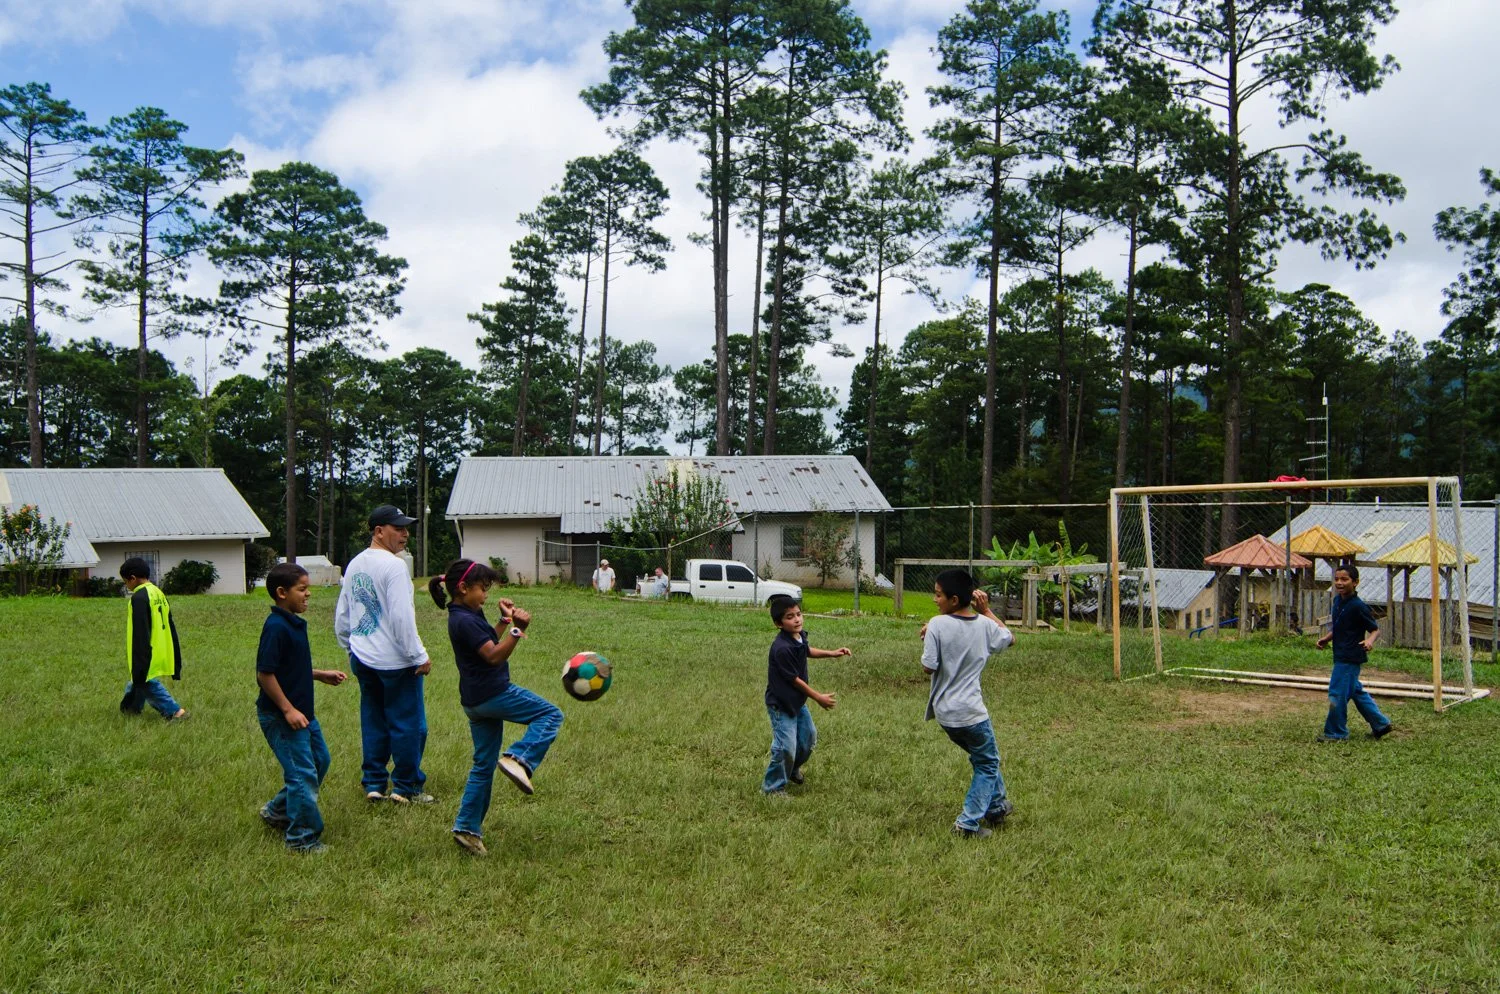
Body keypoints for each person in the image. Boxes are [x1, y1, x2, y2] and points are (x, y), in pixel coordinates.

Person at [428, 559, 563, 857]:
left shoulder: (465, 614)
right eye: (482, 589)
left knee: (483, 764)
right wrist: (517, 630)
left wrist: (503, 622)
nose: (486, 595)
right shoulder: (463, 620)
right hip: (493, 693)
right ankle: (520, 759)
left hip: (475, 702)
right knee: (551, 714)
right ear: (463, 588)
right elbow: (492, 656)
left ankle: (467, 829)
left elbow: (485, 642)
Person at [335, 505, 434, 804]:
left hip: (363, 658)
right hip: (396, 663)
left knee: (374, 721)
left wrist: (350, 646)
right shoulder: (394, 566)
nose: (405, 534)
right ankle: (406, 787)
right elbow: (402, 618)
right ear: (379, 531)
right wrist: (419, 656)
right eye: (398, 528)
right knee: (409, 725)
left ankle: (374, 784)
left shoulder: (354, 564)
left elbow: (343, 613)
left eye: (406, 528)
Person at [255, 562, 348, 853]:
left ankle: (277, 811)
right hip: (282, 716)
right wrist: (287, 710)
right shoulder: (276, 627)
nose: (308, 594)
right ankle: (301, 839)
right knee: (302, 774)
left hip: (303, 713)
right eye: (302, 589)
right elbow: (265, 674)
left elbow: (290, 668)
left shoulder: (293, 623)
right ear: (282, 593)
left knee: (320, 761)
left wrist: (320, 674)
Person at [922, 568, 1015, 838]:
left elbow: (928, 667)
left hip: (946, 715)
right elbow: (1010, 638)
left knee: (984, 759)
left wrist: (930, 636)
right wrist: (987, 612)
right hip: (972, 715)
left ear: (953, 600)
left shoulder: (936, 625)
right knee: (987, 763)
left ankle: (996, 808)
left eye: (938, 595)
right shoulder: (986, 626)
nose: (934, 599)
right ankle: (967, 824)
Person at [762, 594, 850, 795]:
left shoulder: (798, 637)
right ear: (779, 624)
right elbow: (794, 680)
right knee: (785, 747)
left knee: (808, 739)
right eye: (790, 617)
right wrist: (818, 697)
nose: (797, 619)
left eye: (799, 614)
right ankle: (773, 788)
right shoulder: (781, 649)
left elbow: (807, 650)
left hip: (797, 702)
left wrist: (832, 653)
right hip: (781, 704)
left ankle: (791, 769)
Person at [1316, 563, 1392, 741]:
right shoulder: (1337, 602)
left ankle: (1336, 733)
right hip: (1340, 654)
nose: (1339, 583)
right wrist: (1327, 638)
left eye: (1345, 579)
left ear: (1355, 582)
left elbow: (1375, 629)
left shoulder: (1359, 606)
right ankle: (1380, 724)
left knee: (1337, 694)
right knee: (1356, 691)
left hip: (1350, 657)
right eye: (1336, 579)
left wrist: (1369, 641)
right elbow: (1340, 627)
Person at [118, 557, 187, 721]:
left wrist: (140, 655)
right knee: (138, 679)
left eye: (126, 582)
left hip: (147, 648)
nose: (126, 586)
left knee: (145, 679)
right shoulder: (158, 593)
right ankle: (131, 708)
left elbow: (141, 630)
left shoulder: (139, 597)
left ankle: (175, 711)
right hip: (162, 646)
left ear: (133, 578)